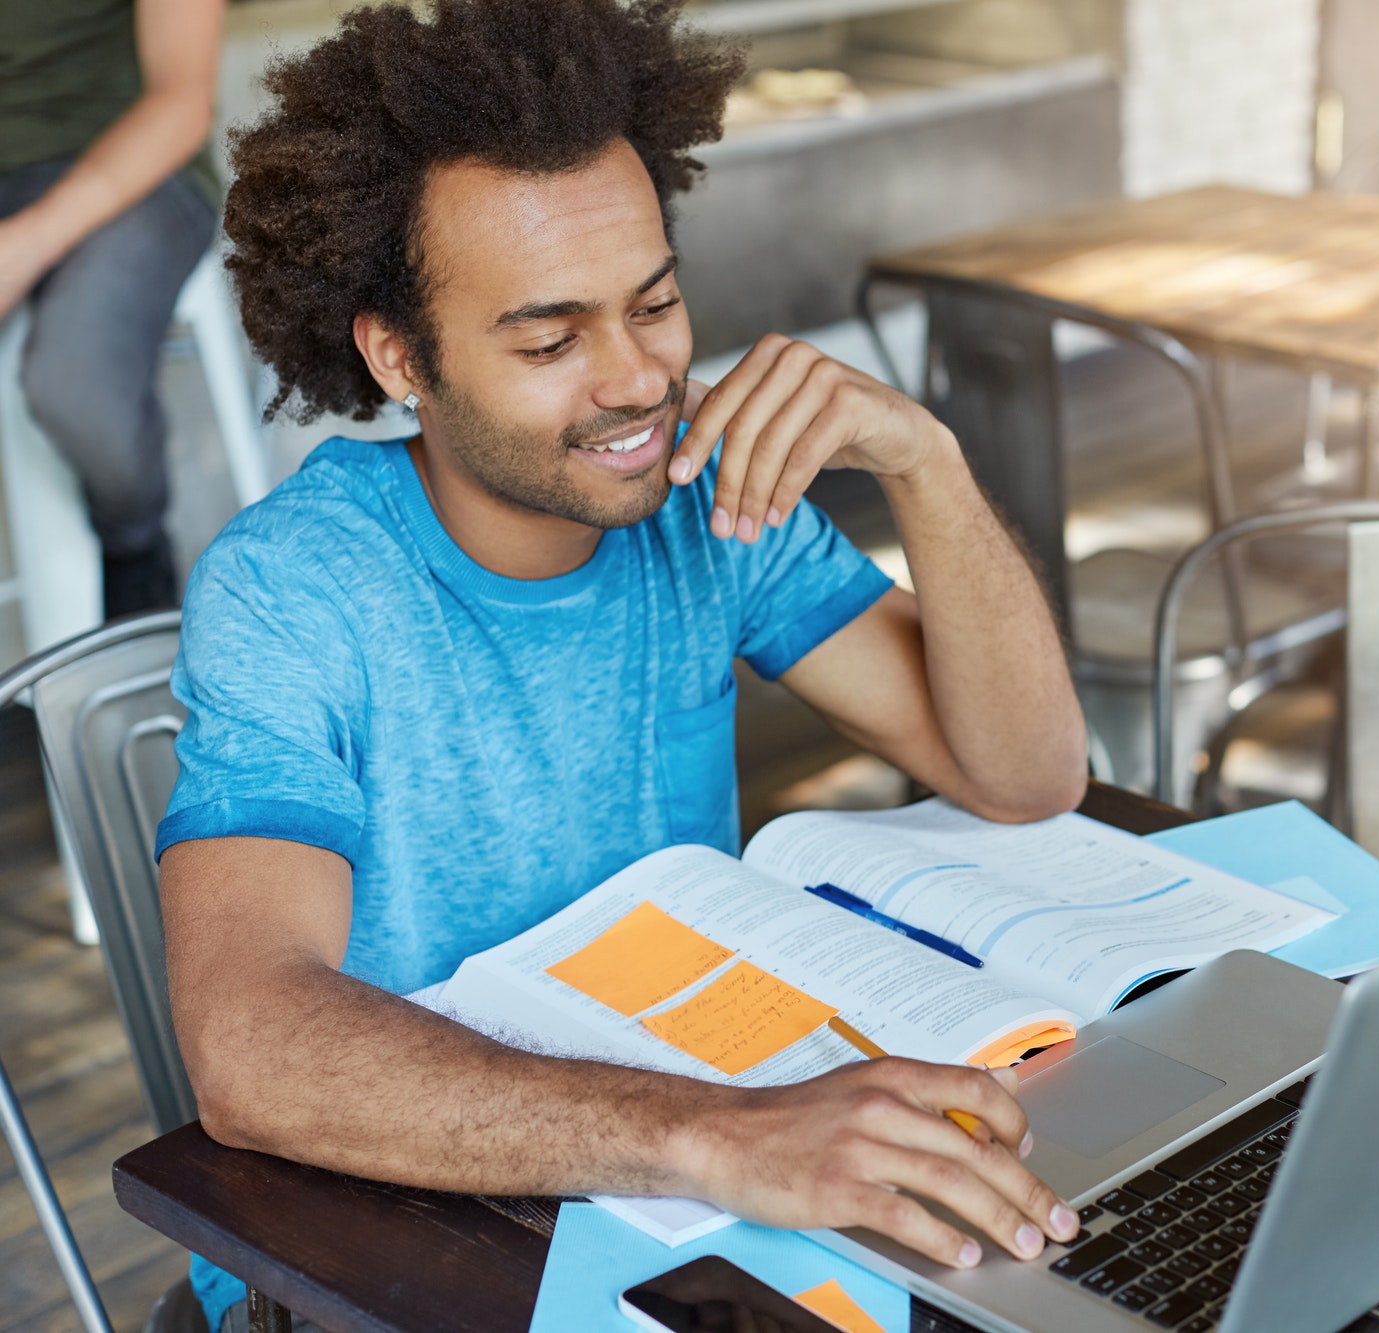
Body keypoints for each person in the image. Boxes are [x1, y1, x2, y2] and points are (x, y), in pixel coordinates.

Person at [153, 1, 1089, 1328]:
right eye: (547, 341)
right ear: (399, 355)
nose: (638, 381)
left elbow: (1029, 772)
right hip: (386, 1238)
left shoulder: (709, 498)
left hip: (677, 1196)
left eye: (654, 304)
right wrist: (719, 1135)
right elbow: (250, 1051)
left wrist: (925, 466)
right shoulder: (296, 588)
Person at [0, 0, 225, 617]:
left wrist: (21, 248)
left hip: (136, 165)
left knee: (77, 380)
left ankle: (135, 545)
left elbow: (180, 103)